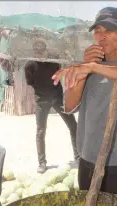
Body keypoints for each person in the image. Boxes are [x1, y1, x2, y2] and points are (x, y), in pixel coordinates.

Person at [52, 7, 117, 200]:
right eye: (98, 31)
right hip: (87, 160)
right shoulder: (86, 67)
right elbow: (69, 105)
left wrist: (96, 67)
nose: (102, 36)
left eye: (109, 30)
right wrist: (85, 72)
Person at [24, 40, 78, 174]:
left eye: (42, 52)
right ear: (34, 53)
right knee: (40, 131)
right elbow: (30, 82)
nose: (40, 55)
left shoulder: (53, 61)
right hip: (41, 101)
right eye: (37, 53)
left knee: (73, 125)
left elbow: (59, 75)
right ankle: (42, 163)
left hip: (58, 98)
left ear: (46, 51)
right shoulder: (29, 66)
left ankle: (78, 157)